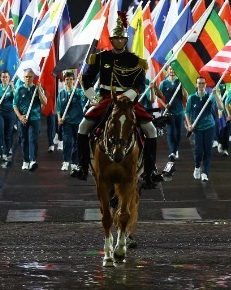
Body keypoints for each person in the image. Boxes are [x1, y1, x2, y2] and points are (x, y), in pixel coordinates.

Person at [70, 11, 163, 189]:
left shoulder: (135, 60)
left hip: (129, 101)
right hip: (105, 99)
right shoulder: (101, 57)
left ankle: (150, 171)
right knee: (83, 127)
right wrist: (93, 97)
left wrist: (128, 96)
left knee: (150, 129)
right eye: (115, 38)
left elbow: (139, 83)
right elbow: (86, 78)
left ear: (126, 40)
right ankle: (82, 165)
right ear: (111, 40)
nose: (119, 41)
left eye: (122, 39)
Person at [185, 76, 222, 182]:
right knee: (199, 150)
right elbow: (187, 112)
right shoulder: (192, 98)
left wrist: (215, 94)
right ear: (196, 85)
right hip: (197, 128)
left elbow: (220, 107)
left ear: (206, 85)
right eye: (199, 83)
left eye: (203, 83)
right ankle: (197, 167)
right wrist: (189, 125)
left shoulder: (210, 96)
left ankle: (205, 172)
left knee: (208, 150)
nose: (201, 85)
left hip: (209, 126)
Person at [13, 69, 48, 171]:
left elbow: (45, 102)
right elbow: (15, 105)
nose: (28, 79)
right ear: (23, 78)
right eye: (26, 77)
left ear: (33, 78)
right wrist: (19, 117)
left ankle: (33, 160)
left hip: (34, 118)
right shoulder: (19, 90)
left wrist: (38, 90)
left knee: (33, 139)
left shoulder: (38, 88)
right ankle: (25, 160)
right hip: (23, 119)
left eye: (30, 77)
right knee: (24, 140)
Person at [56, 71, 87, 172]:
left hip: (78, 121)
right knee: (67, 141)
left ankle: (74, 163)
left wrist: (82, 83)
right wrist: (59, 118)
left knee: (77, 143)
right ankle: (66, 162)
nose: (69, 81)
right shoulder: (61, 93)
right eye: (67, 79)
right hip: (66, 122)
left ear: (74, 81)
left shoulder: (78, 92)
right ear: (64, 81)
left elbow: (86, 96)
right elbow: (58, 108)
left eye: (70, 79)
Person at [160, 66, 188, 161]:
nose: (172, 71)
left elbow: (186, 96)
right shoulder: (163, 83)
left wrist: (183, 86)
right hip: (169, 112)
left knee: (178, 133)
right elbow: (159, 97)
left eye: (173, 69)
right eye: (170, 69)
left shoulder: (180, 82)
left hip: (179, 111)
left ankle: (175, 149)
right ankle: (172, 152)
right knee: (171, 132)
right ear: (167, 70)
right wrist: (165, 105)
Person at [0, 70, 17, 165]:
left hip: (10, 113)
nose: (4, 78)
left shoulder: (12, 88)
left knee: (8, 133)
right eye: (3, 77)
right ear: (0, 78)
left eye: (6, 77)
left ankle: (5, 152)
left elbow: (16, 98)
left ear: (9, 78)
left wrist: (12, 87)